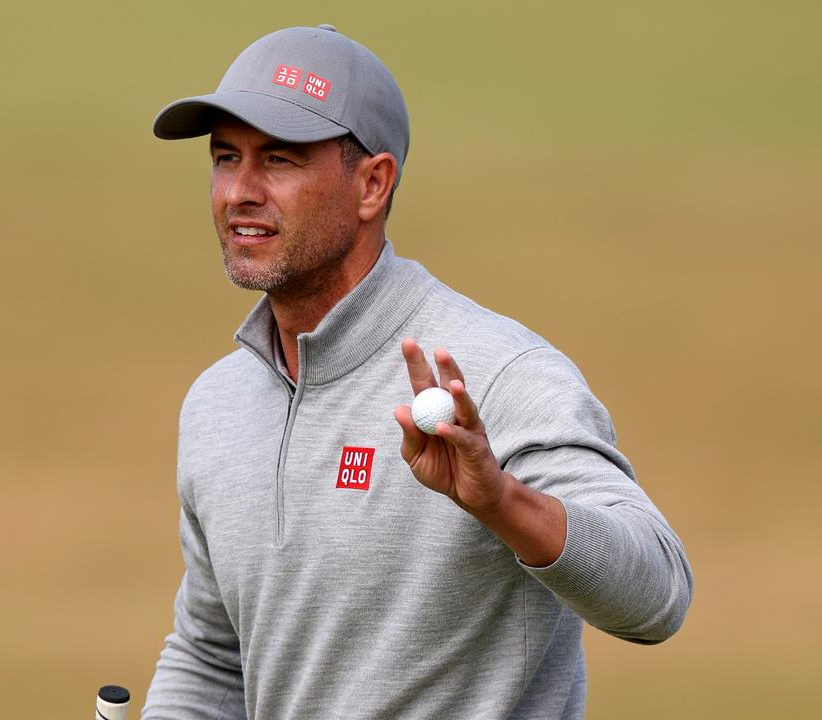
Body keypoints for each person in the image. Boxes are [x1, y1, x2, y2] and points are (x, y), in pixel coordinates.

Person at [142, 24, 692, 720]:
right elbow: (212, 657)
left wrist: (501, 502)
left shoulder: (495, 375)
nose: (238, 192)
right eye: (226, 158)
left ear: (373, 184)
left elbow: (659, 595)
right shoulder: (218, 404)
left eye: (278, 160)